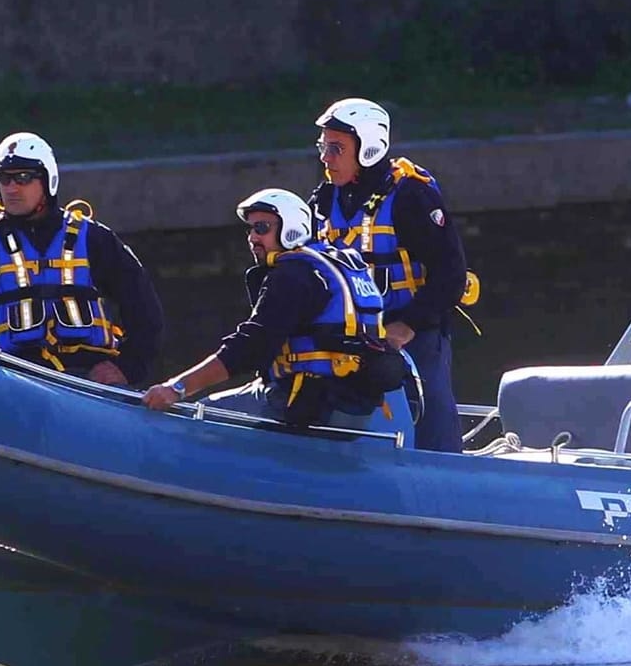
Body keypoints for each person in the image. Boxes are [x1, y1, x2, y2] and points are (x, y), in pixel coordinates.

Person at [142, 188, 411, 436]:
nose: (253, 238)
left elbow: (250, 346)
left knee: (195, 417)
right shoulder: (333, 266)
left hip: (304, 403)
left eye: (262, 228)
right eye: (250, 230)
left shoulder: (293, 274)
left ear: (291, 227)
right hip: (354, 407)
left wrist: (178, 387)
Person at [0, 131, 164, 386]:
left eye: (23, 178)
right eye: (4, 179)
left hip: (86, 382)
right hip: (14, 383)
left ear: (47, 180)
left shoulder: (95, 239)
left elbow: (145, 311)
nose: (11, 188)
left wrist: (128, 367)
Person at [307, 97, 469, 452]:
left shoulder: (411, 195)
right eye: (323, 146)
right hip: (351, 335)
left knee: (430, 411)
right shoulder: (323, 199)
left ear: (368, 148)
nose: (325, 157)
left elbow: (450, 274)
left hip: (413, 331)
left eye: (336, 148)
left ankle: (447, 469)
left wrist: (406, 325)